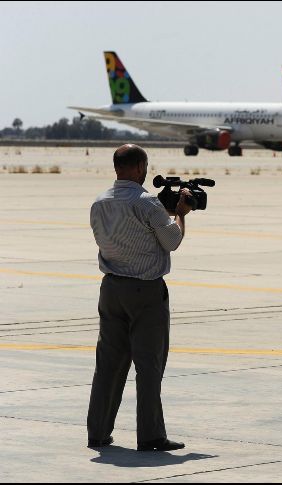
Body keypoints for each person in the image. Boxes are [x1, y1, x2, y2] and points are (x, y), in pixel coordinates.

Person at [87, 144, 191, 451]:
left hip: (111, 289)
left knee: (108, 364)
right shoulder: (147, 203)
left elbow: (122, 230)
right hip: (145, 291)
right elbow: (171, 241)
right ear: (137, 168)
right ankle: (150, 435)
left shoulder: (99, 202)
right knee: (149, 366)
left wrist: (162, 213)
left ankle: (98, 432)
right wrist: (181, 215)